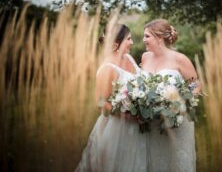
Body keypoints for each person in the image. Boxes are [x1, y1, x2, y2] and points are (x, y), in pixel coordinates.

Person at [75, 24, 147, 172]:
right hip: (118, 128)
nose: (132, 42)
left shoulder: (128, 57)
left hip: (140, 125)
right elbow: (101, 104)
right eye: (128, 39)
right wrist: (129, 116)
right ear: (115, 44)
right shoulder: (107, 69)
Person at [141, 19, 201, 172]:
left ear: (159, 38)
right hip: (151, 122)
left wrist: (181, 104)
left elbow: (196, 85)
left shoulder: (179, 58)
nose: (143, 40)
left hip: (175, 121)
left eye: (147, 36)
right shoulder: (145, 57)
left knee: (176, 161)